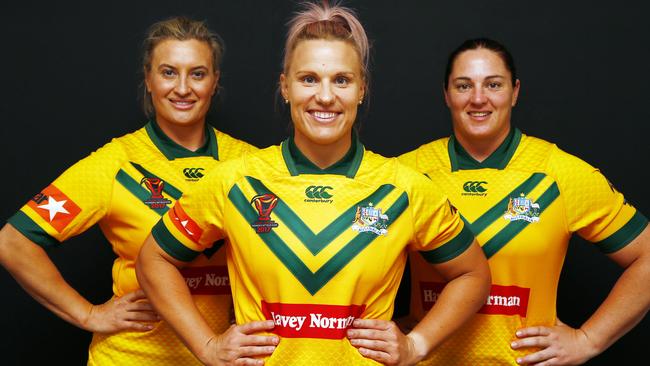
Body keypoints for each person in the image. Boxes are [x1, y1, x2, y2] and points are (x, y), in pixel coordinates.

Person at [136, 2, 491, 366]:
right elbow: (153, 260)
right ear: (285, 86)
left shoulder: (404, 186)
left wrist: (416, 344)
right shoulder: (236, 180)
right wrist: (207, 346)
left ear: (361, 89)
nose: (325, 96)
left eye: (341, 80)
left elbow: (473, 275)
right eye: (309, 79)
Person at [0, 16, 256, 365]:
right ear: (148, 79)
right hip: (131, 356)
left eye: (197, 73)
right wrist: (89, 315)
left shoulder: (248, 164)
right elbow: (13, 242)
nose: (183, 88)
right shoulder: (117, 162)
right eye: (168, 72)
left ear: (215, 81)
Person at [397, 38, 650, 365]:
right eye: (463, 86)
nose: (478, 98)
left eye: (493, 84)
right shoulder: (407, 174)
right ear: (446, 94)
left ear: (515, 91)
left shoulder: (559, 173)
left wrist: (589, 339)